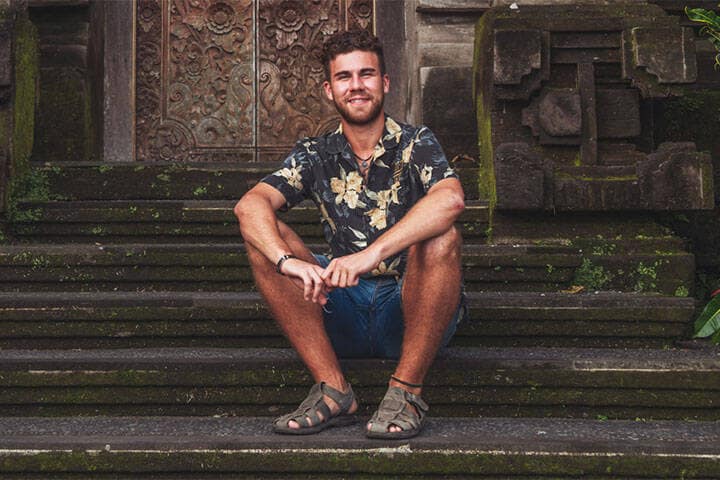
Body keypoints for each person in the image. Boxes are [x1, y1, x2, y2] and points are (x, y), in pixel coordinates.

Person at [234, 29, 466, 440]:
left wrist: (370, 255)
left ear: (385, 82)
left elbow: (450, 200)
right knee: (267, 239)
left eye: (367, 74)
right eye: (344, 77)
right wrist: (287, 262)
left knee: (441, 236)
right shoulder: (315, 153)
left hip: (408, 308)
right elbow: (249, 206)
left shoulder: (416, 142)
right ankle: (334, 389)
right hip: (338, 307)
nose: (356, 86)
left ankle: (406, 391)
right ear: (329, 89)